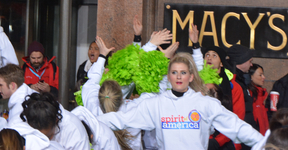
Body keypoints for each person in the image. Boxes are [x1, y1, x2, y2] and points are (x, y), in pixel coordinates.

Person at [97, 53, 263, 149]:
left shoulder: (205, 104)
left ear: (190, 77)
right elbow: (122, 119)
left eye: (183, 73)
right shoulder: (155, 104)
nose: (178, 76)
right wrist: (89, 121)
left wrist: (264, 142)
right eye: (174, 72)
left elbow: (236, 126)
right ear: (168, 77)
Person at [249, 64, 269, 135]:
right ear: (251, 76)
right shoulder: (250, 95)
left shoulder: (260, 94)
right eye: (260, 75)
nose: (263, 77)